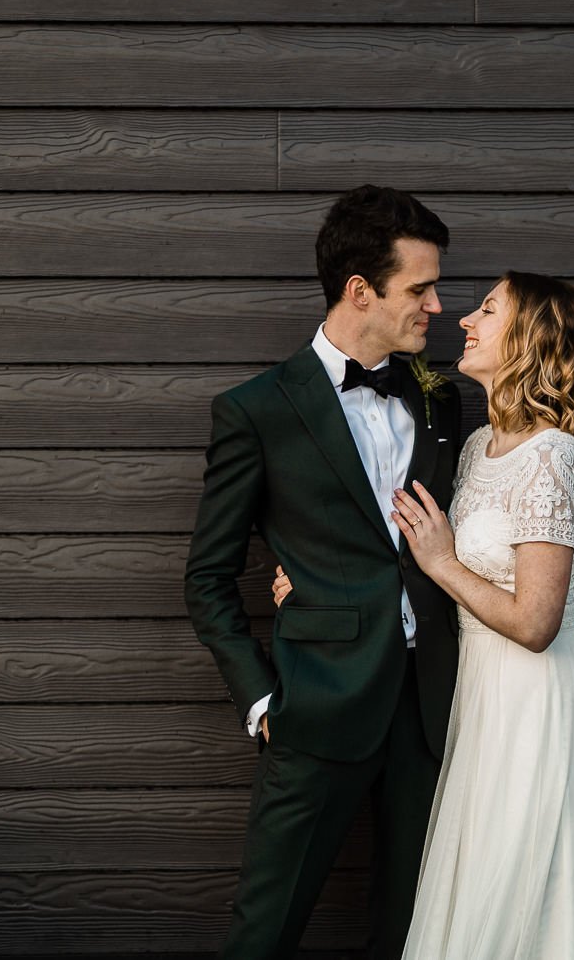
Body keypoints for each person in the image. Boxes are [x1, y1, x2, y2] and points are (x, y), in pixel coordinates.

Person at [280, 271, 574, 956]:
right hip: (477, 696)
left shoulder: (554, 454)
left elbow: (535, 624)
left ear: (530, 338)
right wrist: (317, 584)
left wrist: (443, 563)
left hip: (533, 705)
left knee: (530, 895)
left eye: (487, 309)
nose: (463, 321)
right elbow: (409, 556)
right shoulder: (478, 445)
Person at [183, 185, 464, 958]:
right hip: (316, 706)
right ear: (359, 290)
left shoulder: (443, 402)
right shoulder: (258, 409)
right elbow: (206, 576)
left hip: (431, 710)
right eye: (419, 288)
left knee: (414, 933)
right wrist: (263, 701)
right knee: (264, 932)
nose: (436, 306)